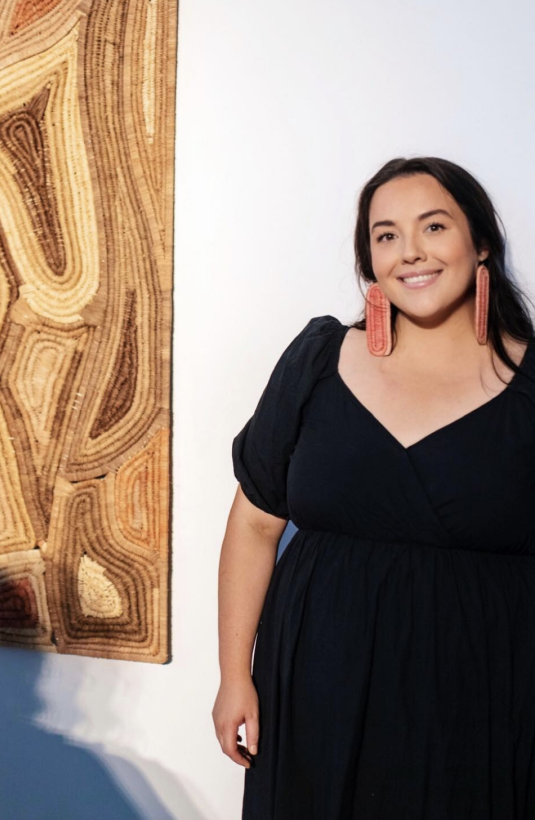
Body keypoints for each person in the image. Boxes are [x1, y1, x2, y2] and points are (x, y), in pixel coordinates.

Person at [213, 156, 535, 819]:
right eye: (385, 235)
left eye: (433, 226)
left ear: (480, 244)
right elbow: (253, 523)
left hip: (484, 703)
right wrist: (235, 675)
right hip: (315, 694)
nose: (409, 251)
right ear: (369, 261)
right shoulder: (319, 362)